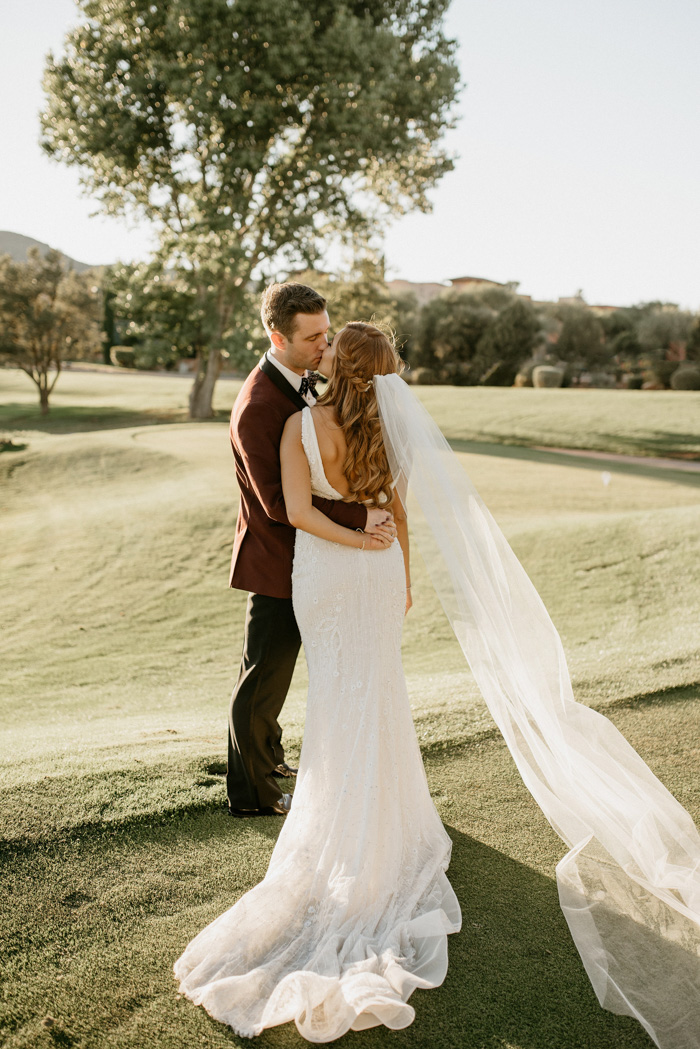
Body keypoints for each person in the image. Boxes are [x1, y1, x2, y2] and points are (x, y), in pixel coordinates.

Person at [175, 322, 462, 1040]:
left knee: (337, 701)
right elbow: (396, 514)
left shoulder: (304, 422)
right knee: (377, 694)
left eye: (334, 345)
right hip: (372, 575)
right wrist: (396, 571)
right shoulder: (393, 431)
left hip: (327, 574)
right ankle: (376, 832)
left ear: (344, 364)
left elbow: (298, 513)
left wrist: (354, 533)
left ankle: (342, 825)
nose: (324, 349)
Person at [226, 285, 394, 817]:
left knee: (278, 673)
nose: (326, 346)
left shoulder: (302, 380)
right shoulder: (258, 404)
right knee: (262, 681)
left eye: (328, 332)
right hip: (277, 559)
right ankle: (253, 794)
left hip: (313, 557)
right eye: (314, 337)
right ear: (278, 337)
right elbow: (279, 503)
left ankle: (271, 761)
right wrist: (362, 515)